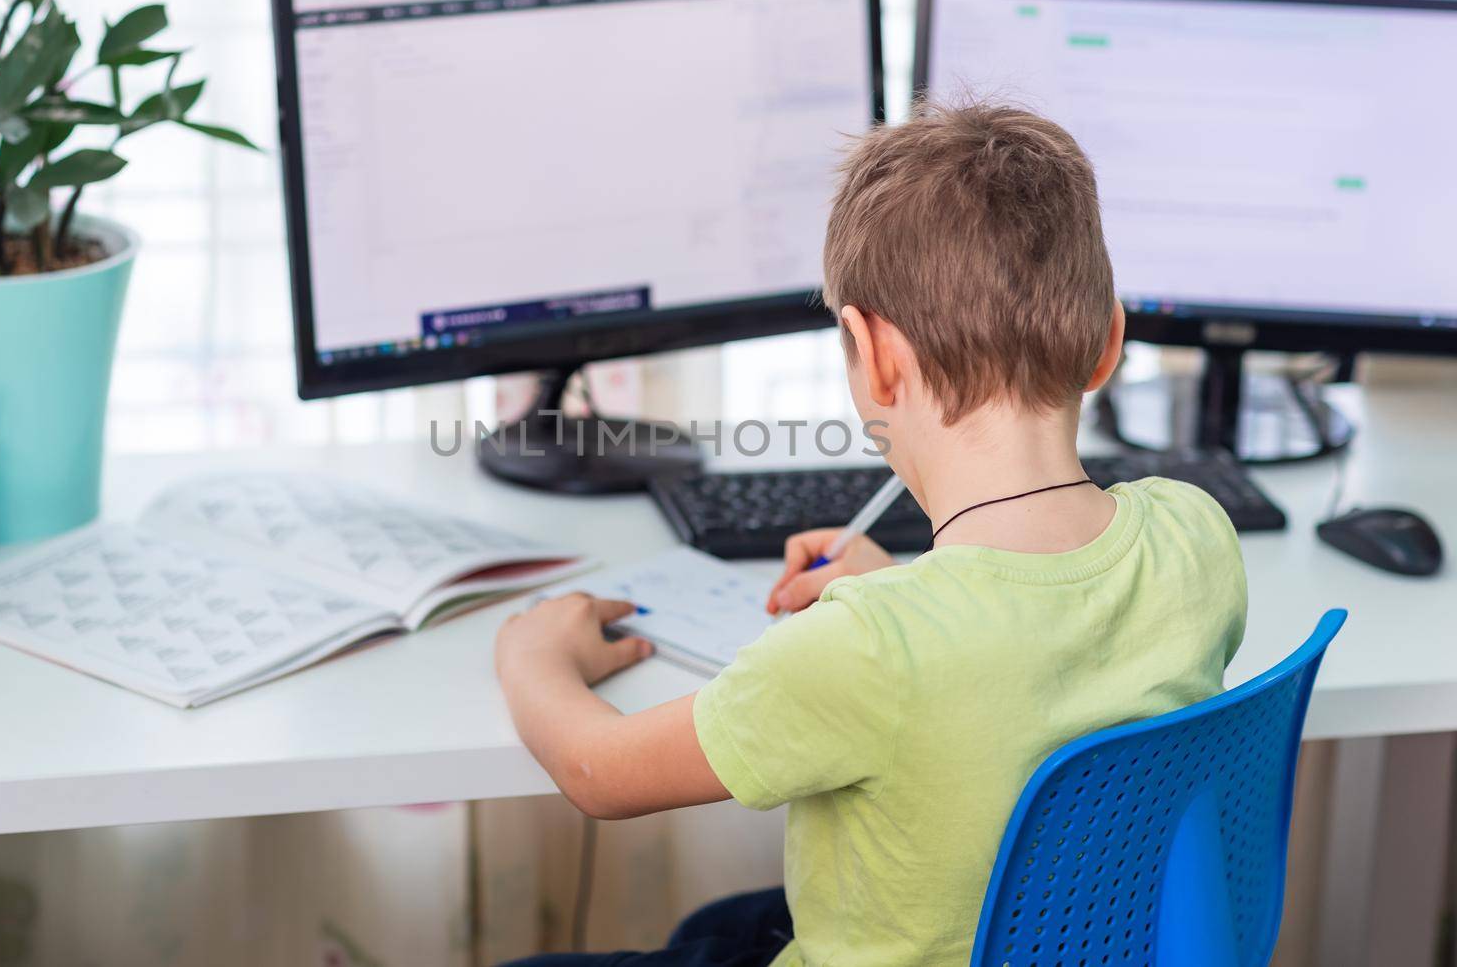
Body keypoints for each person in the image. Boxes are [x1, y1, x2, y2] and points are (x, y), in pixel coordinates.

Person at [493, 101, 1248, 967]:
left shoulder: (868, 650)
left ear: (874, 353)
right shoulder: (1196, 535)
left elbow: (600, 775)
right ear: (1109, 340)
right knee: (721, 929)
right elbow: (1038, 660)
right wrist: (902, 582)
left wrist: (533, 660)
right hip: (1084, 945)